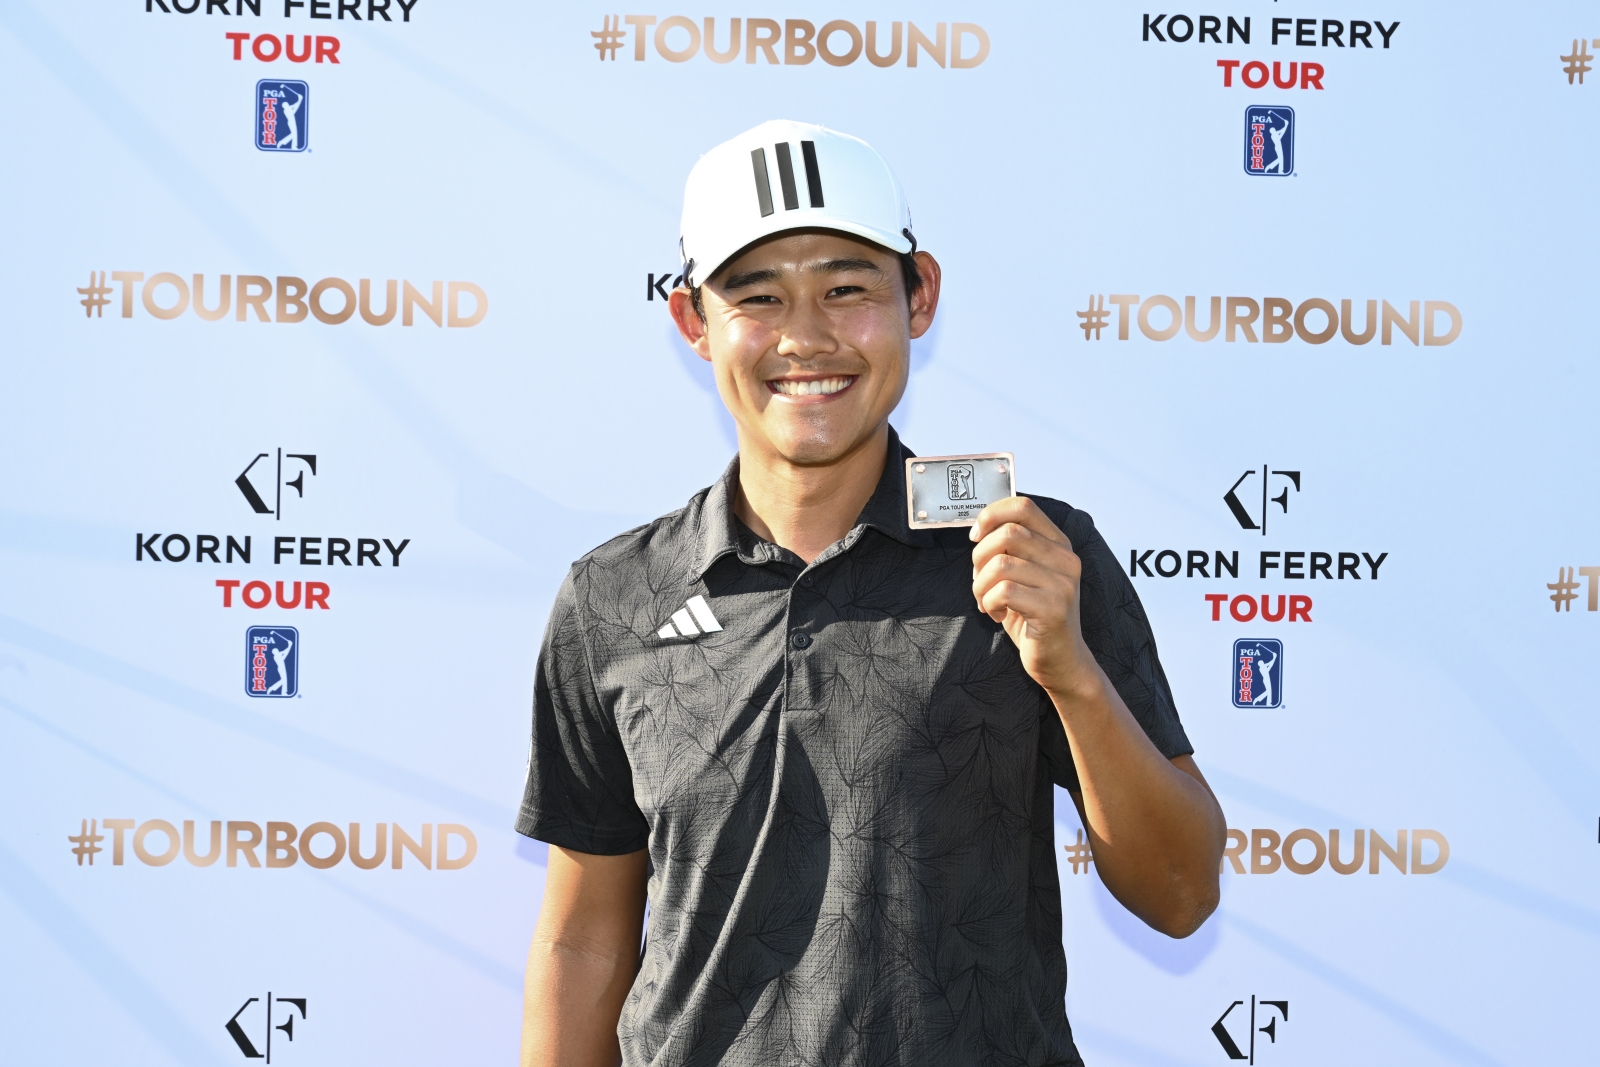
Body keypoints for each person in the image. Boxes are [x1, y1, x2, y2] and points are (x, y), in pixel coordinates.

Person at [516, 119, 1226, 1067]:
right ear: (694, 323)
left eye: (847, 288)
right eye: (758, 296)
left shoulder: (1031, 553)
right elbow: (582, 934)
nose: (806, 337)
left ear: (918, 294)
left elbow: (1180, 893)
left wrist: (1072, 672)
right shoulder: (614, 596)